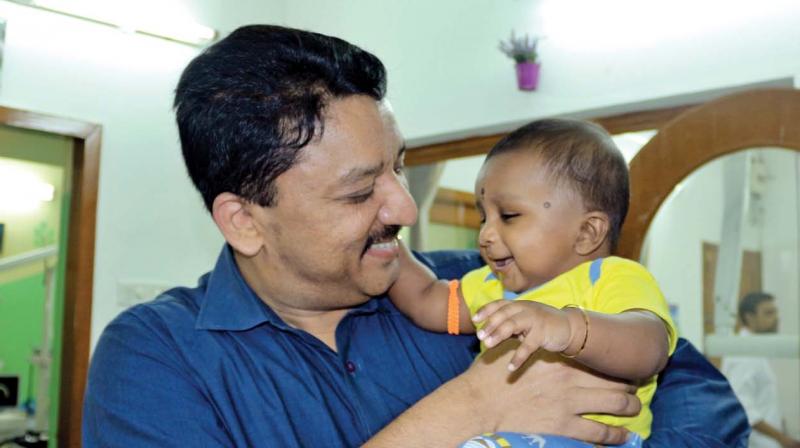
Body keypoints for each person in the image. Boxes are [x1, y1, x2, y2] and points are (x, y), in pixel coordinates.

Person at [81, 24, 749, 447]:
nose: (403, 205)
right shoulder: (155, 357)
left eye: (398, 166)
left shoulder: (483, 283)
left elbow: (696, 390)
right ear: (244, 221)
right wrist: (471, 407)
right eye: (359, 189)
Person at [389, 118, 676, 443]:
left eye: (509, 216)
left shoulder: (611, 277)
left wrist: (566, 327)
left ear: (587, 232)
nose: (485, 234)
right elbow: (428, 298)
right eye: (484, 217)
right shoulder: (490, 284)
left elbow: (650, 348)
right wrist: (389, 245)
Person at [722, 292, 800, 448]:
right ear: (749, 317)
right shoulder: (744, 353)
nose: (776, 318)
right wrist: (782, 439)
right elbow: (743, 409)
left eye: (775, 312)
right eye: (768, 313)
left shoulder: (757, 350)